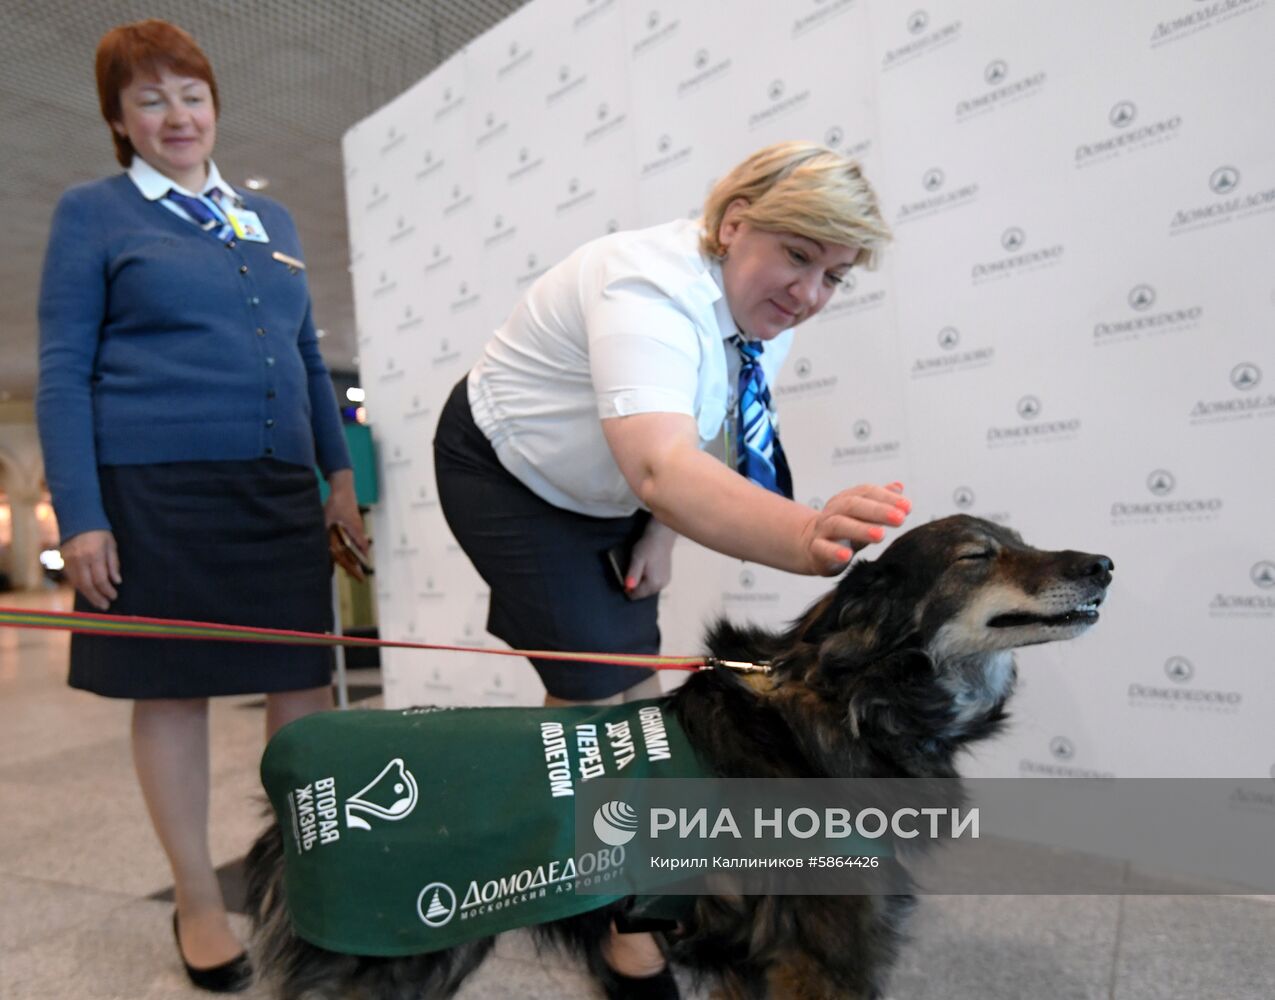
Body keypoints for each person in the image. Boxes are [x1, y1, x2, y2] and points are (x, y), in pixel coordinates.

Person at [433, 140, 910, 997]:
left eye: (834, 276)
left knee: (638, 696)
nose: (809, 295)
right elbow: (662, 461)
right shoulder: (644, 284)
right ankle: (616, 927)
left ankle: (638, 887)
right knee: (590, 684)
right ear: (734, 224)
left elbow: (699, 442)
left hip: (609, 488)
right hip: (507, 472)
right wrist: (804, 537)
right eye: (798, 256)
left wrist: (657, 530)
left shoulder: (761, 322)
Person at [35, 19, 366, 993]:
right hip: (155, 490)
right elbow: (61, 373)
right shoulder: (93, 213)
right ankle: (195, 895)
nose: (176, 115)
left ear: (215, 106)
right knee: (172, 689)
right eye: (150, 99)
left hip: (273, 488)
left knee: (301, 690)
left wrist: (337, 479)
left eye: (191, 94)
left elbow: (308, 359)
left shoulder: (273, 225)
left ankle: (304, 875)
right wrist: (83, 513)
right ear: (118, 121)